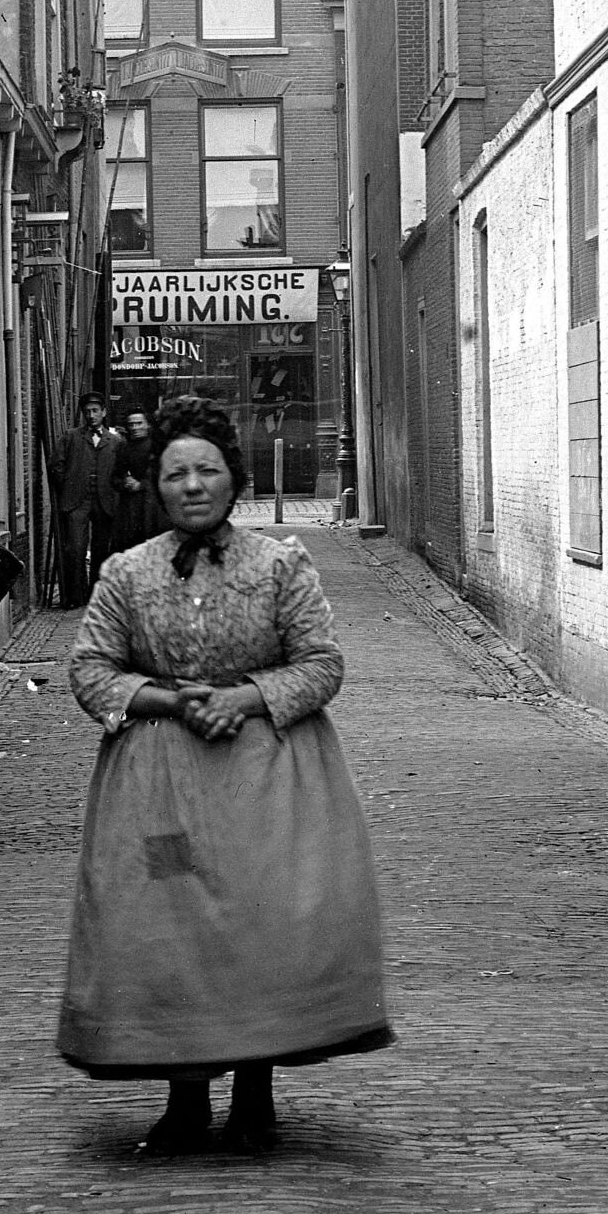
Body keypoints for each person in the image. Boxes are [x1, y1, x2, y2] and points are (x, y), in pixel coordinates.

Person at [58, 400, 391, 1156]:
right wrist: (169, 700)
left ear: (233, 479)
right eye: (175, 472)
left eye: (206, 470)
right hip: (160, 780)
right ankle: (184, 1101)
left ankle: (254, 1093)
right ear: (155, 483)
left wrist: (245, 698)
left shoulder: (279, 565)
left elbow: (322, 663)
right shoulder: (126, 574)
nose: (192, 485)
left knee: (258, 922)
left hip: (266, 776)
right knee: (171, 927)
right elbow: (89, 670)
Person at [51, 395, 121, 609]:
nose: (91, 415)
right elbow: (56, 465)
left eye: (95, 410)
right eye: (87, 411)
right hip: (77, 501)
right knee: (75, 549)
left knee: (102, 550)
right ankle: (75, 597)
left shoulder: (115, 441)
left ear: (104, 412)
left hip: (105, 502)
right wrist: (69, 485)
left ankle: (97, 596)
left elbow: (121, 470)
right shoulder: (71, 437)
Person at [106, 405, 163, 554]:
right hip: (129, 507)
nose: (135, 427)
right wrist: (125, 482)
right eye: (131, 424)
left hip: (152, 505)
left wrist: (141, 484)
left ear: (147, 425)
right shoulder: (123, 447)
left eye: (139, 423)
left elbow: (162, 476)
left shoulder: (158, 447)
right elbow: (114, 477)